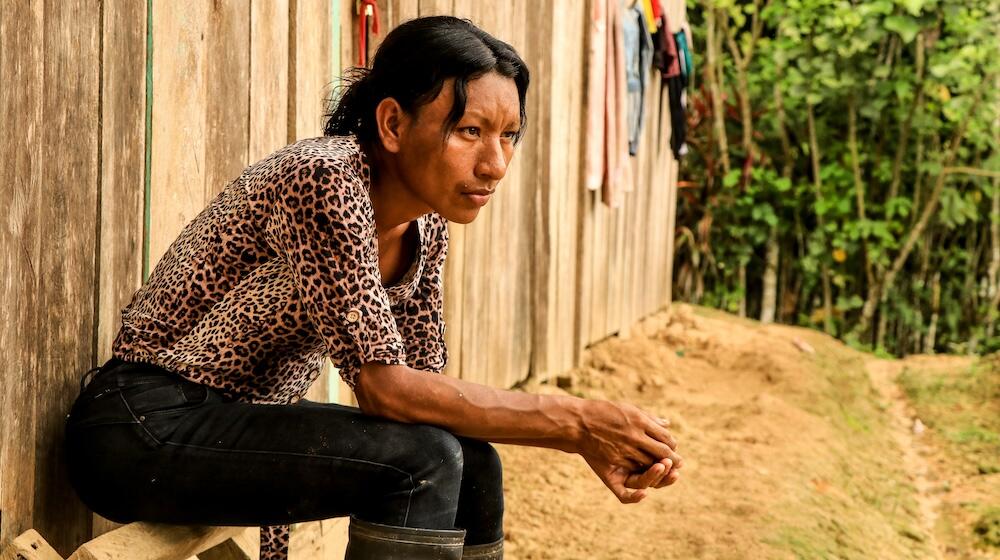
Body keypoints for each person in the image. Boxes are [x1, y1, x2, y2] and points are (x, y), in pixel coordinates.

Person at [63, 15, 682, 560]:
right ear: (392, 122)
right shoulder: (325, 178)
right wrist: (574, 422)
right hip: (143, 425)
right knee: (427, 463)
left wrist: (584, 436)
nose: (495, 163)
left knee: (471, 462)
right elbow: (387, 390)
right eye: (470, 131)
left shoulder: (425, 225)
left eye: (509, 135)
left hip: (236, 424)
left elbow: (427, 394)